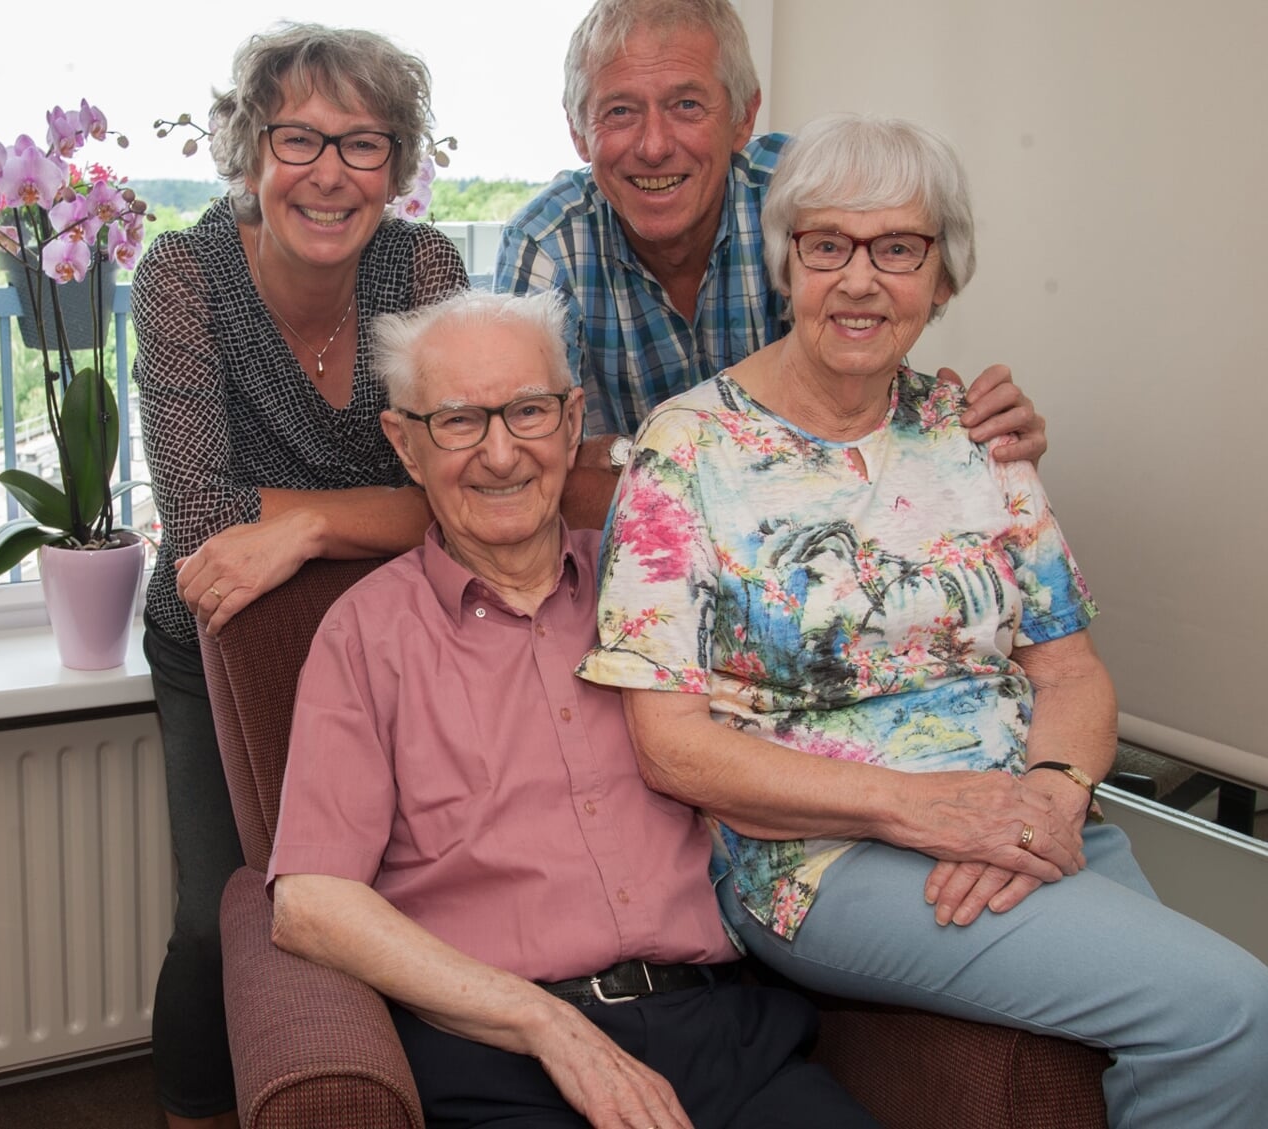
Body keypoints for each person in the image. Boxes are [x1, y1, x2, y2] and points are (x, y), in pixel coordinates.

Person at [578, 113, 1268, 1128]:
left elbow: (1070, 672)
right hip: (819, 859)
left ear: (941, 278)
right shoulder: (683, 452)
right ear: (785, 266)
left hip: (1018, 814)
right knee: (1227, 1009)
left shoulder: (973, 434)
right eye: (826, 246)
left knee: (1203, 1009)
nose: (860, 280)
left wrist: (1047, 792)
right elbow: (672, 749)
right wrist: (914, 808)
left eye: (897, 248)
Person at [269, 289, 879, 1129]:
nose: (499, 453)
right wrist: (543, 1024)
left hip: (720, 1034)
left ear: (571, 421)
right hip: (494, 1052)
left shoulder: (663, 585)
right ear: (405, 446)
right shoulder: (365, 635)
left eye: (527, 411)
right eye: (457, 421)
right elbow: (310, 902)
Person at [131, 23, 468, 1127]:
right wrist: (364, 513)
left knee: (397, 895)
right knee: (217, 911)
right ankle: (192, 1108)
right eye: (298, 140)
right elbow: (195, 515)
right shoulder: (181, 274)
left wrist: (302, 527)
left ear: (396, 164)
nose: (329, 174)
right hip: (221, 638)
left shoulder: (424, 271)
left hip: (386, 636)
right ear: (248, 151)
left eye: (363, 145)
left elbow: (460, 492)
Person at [493, 0, 1045, 524]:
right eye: (619, 111)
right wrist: (785, 481)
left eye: (686, 105)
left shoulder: (808, 197)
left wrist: (976, 449)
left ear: (743, 116)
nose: (655, 145)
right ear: (577, 130)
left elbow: (866, 429)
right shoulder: (546, 243)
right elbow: (524, 483)